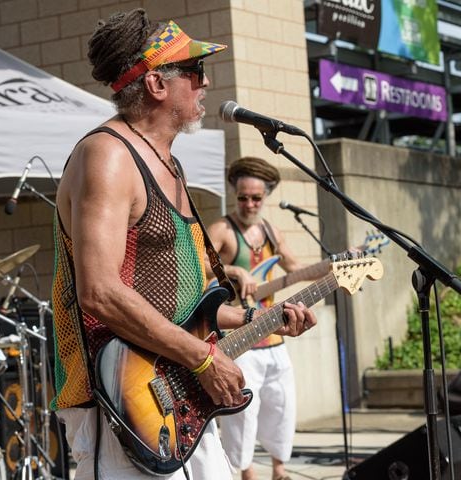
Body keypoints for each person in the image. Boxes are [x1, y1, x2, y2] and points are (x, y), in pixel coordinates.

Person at [50, 9, 317, 479]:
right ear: (156, 84)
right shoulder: (107, 157)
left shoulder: (169, 164)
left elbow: (188, 305)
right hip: (119, 400)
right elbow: (99, 292)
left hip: (179, 390)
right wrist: (202, 357)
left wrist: (261, 319)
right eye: (194, 72)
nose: (205, 82)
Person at [206, 157, 328, 480]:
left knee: (282, 405)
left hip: (273, 335)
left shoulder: (270, 230)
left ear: (266, 197)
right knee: (242, 411)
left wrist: (336, 264)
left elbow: (295, 269)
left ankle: (279, 469)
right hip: (241, 338)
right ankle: (246, 472)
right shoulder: (222, 229)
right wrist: (233, 270)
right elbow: (195, 264)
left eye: (256, 198)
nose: (249, 204)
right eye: (243, 197)